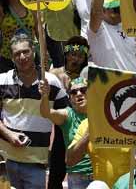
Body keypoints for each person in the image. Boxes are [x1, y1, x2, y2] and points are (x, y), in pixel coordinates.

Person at [0, 33, 68, 189]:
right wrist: (9, 135)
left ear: (34, 52)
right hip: (7, 162)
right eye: (17, 54)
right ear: (11, 58)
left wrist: (46, 100)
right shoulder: (2, 80)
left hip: (36, 163)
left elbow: (65, 119)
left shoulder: (51, 82)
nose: (22, 56)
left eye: (26, 51)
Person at [39, 77, 92, 189]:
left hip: (100, 173)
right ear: (70, 98)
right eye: (73, 92)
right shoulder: (68, 115)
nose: (78, 94)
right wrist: (45, 96)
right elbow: (46, 113)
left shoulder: (102, 112)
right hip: (78, 177)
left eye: (83, 90)